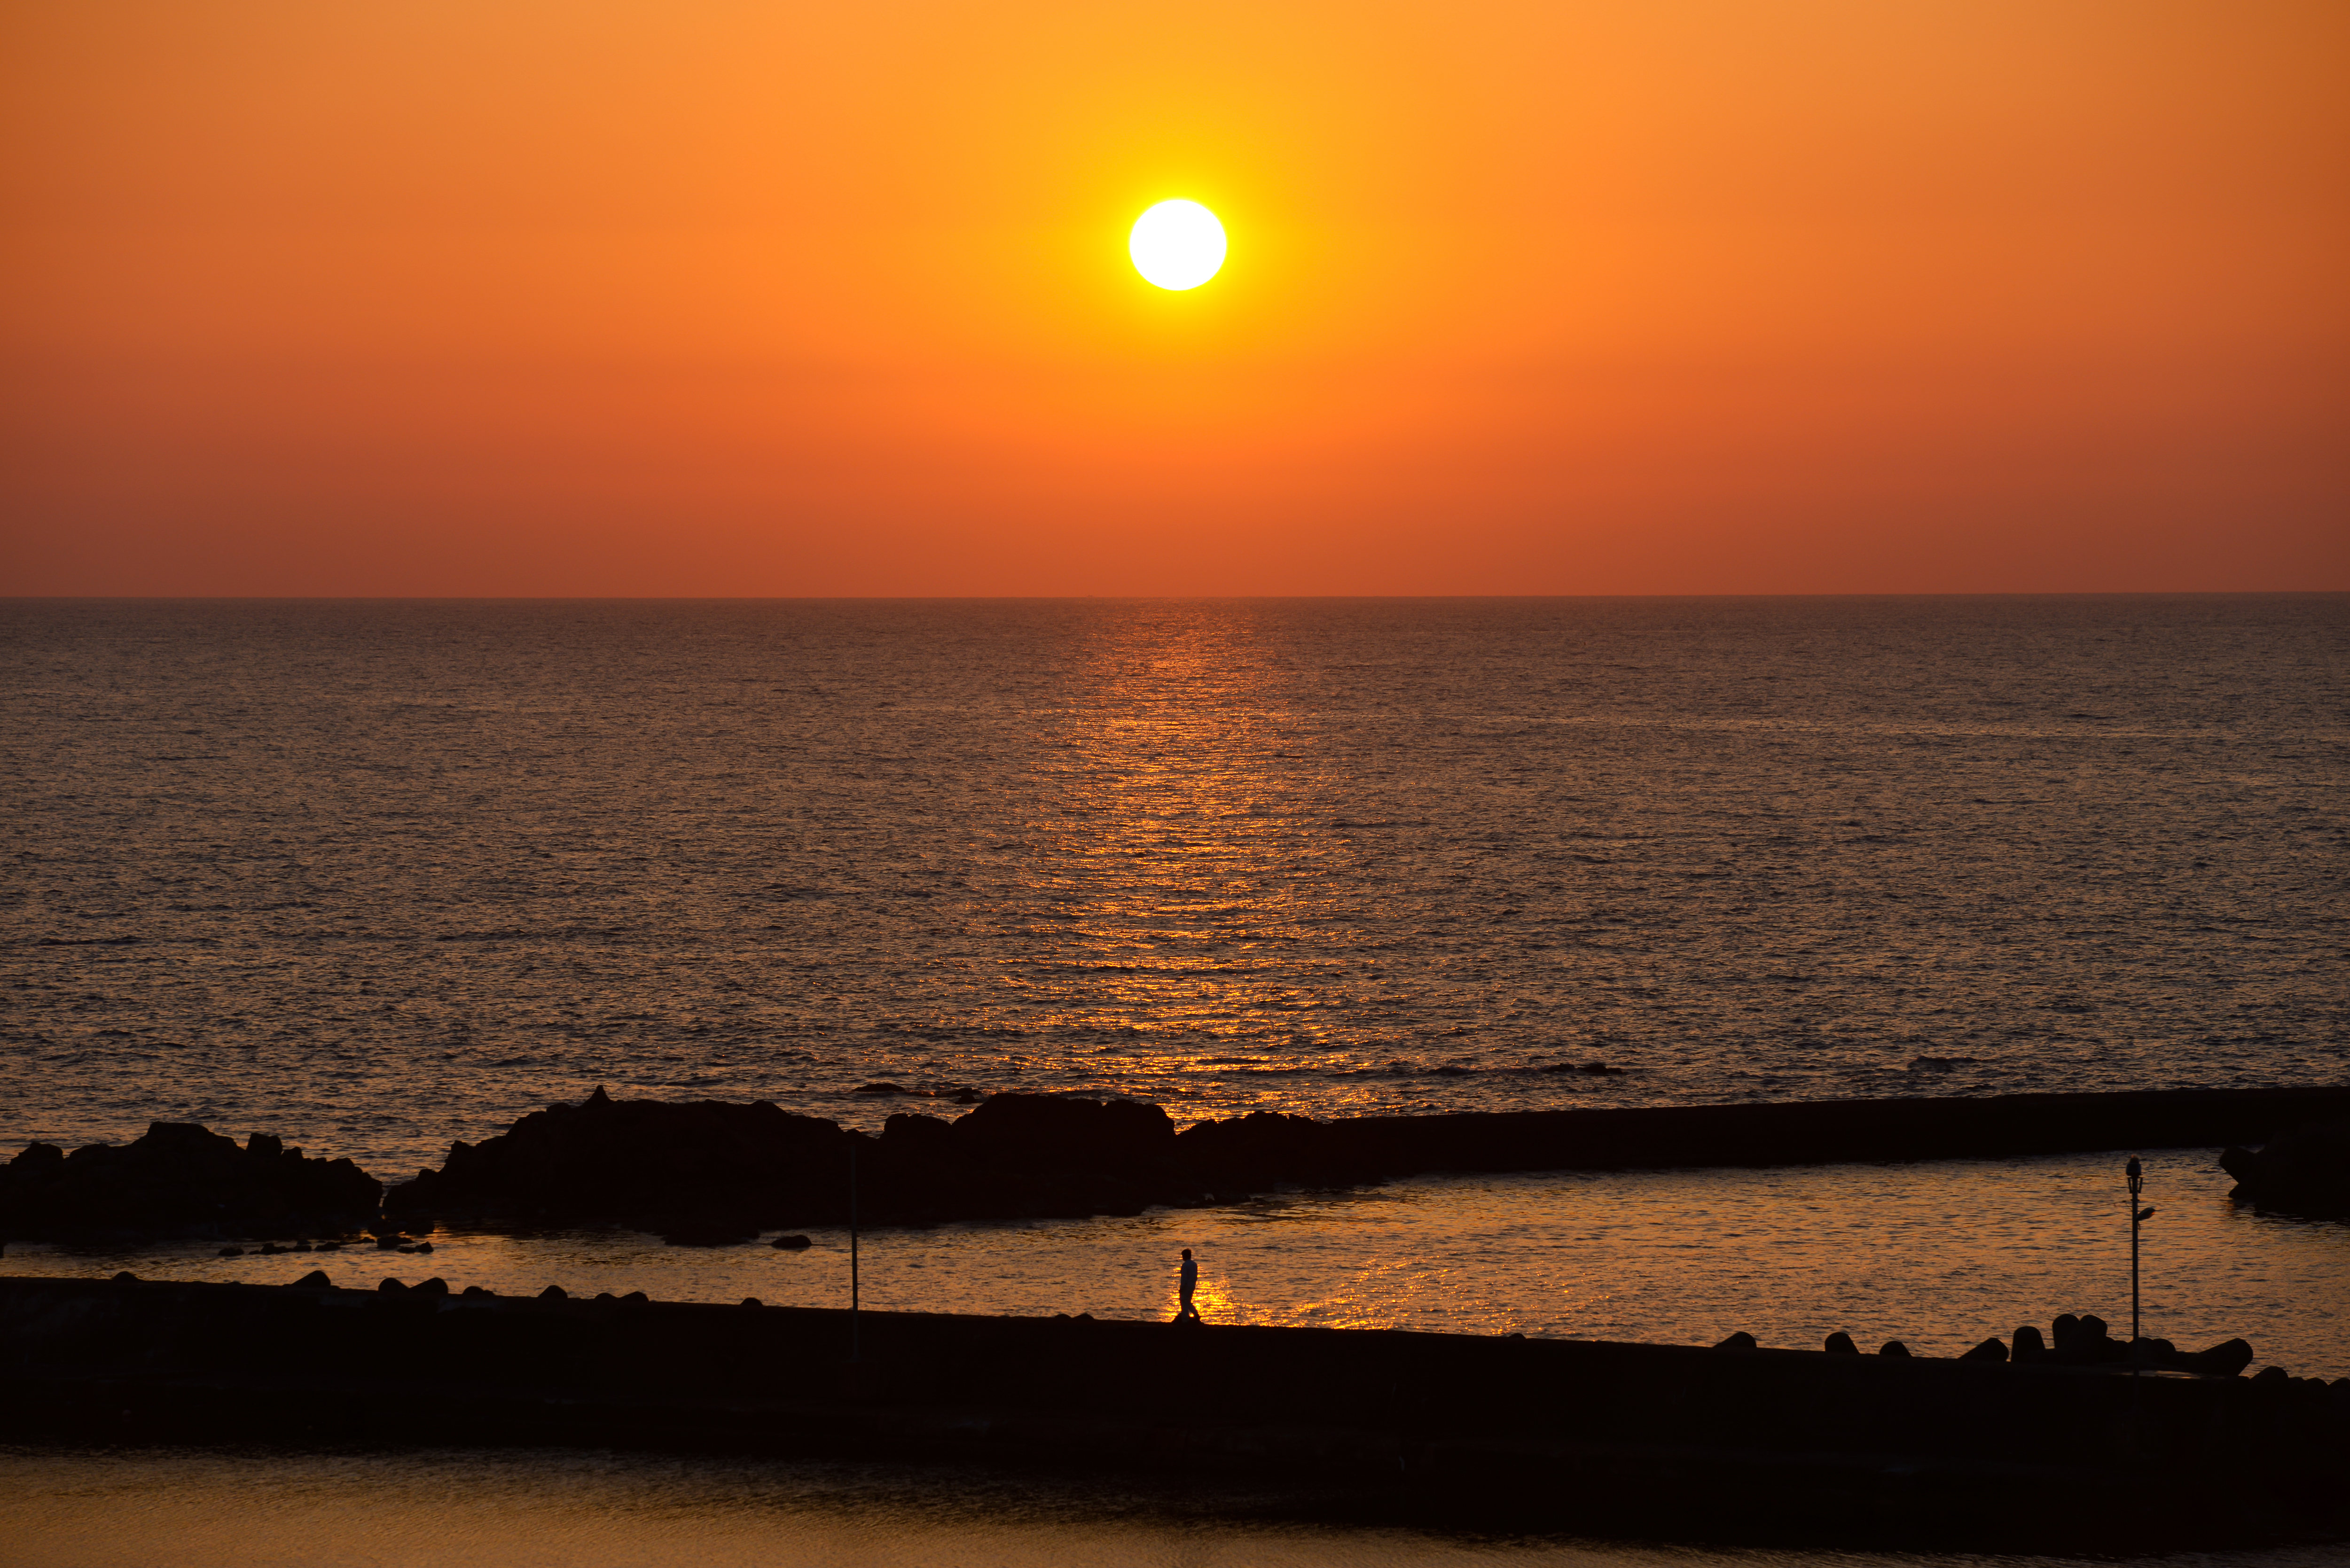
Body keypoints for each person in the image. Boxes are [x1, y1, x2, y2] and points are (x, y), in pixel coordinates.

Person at [1176, 1248, 1201, 1322]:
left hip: (1187, 1285)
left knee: (1183, 1301)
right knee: (1188, 1302)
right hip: (1192, 1285)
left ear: (1185, 1256)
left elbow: (1184, 1278)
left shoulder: (1185, 1265)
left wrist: (1182, 1288)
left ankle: (1185, 1319)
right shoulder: (1194, 1264)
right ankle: (1196, 1314)